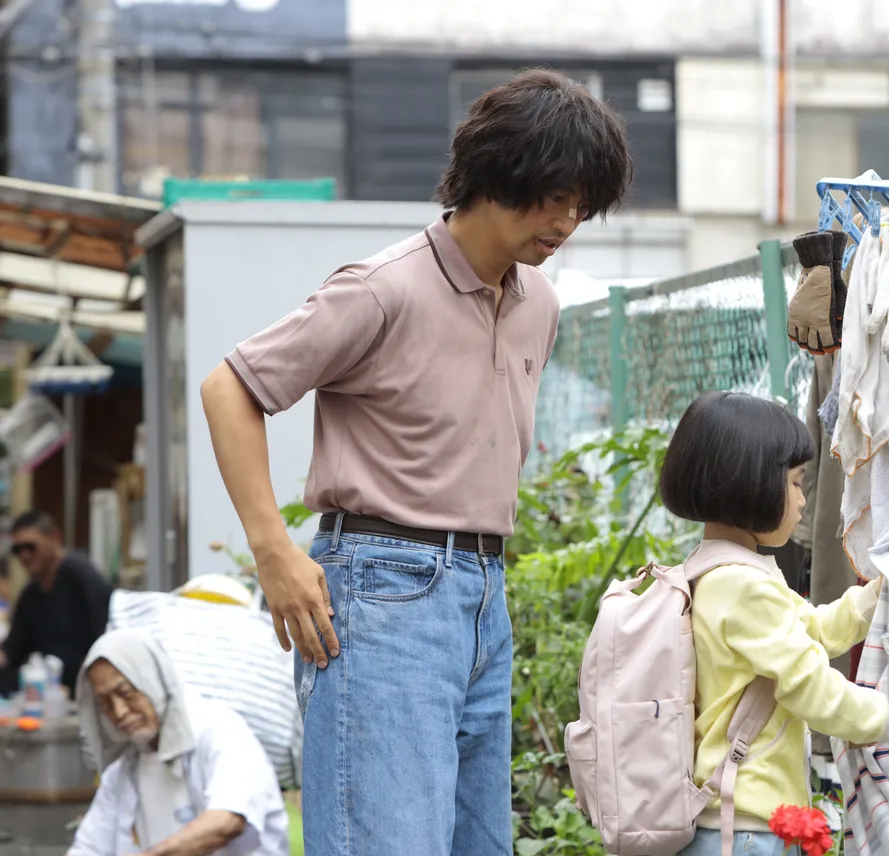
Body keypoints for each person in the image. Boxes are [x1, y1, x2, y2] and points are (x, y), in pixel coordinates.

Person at [199, 69, 632, 856]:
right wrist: (274, 551)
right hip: (381, 589)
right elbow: (230, 388)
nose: (570, 219)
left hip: (483, 597)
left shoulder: (541, 303)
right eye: (556, 196)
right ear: (498, 175)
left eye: (583, 202)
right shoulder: (381, 289)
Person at [658, 392, 889, 855]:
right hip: (748, 832)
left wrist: (875, 595)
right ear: (748, 485)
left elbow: (811, 632)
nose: (802, 500)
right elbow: (812, 687)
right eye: (795, 484)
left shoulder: (717, 571)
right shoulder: (742, 587)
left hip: (735, 824)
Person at [69, 629, 288, 856]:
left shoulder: (219, 730)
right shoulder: (126, 764)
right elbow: (89, 848)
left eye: (126, 693)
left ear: (152, 681)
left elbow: (227, 820)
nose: (119, 712)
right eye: (105, 703)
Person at [0, 509, 112, 698]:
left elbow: (107, 639)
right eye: (18, 550)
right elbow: (14, 648)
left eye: (31, 547)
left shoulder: (83, 580)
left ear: (53, 537)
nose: (24, 556)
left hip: (82, 687)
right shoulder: (31, 594)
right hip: (42, 686)